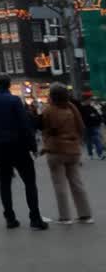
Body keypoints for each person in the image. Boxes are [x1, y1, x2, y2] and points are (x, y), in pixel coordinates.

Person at [0, 74, 47, 230]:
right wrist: (33, 146)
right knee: (29, 182)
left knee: (5, 183)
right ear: (9, 85)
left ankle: (10, 217)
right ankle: (35, 217)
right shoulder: (14, 100)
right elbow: (24, 124)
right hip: (18, 146)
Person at [39, 83, 93, 225]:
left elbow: (45, 128)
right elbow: (81, 126)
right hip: (73, 150)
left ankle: (65, 216)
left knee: (59, 184)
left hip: (56, 150)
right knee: (76, 182)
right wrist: (77, 141)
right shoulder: (72, 107)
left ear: (52, 96)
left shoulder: (49, 110)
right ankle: (85, 214)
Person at [79, 93, 104, 160]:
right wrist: (92, 116)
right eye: (89, 100)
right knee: (89, 142)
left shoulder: (91, 107)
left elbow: (97, 115)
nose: (90, 101)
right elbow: (84, 118)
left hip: (94, 126)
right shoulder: (81, 108)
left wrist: (95, 118)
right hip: (86, 127)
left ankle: (100, 154)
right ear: (85, 100)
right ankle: (90, 154)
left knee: (97, 140)